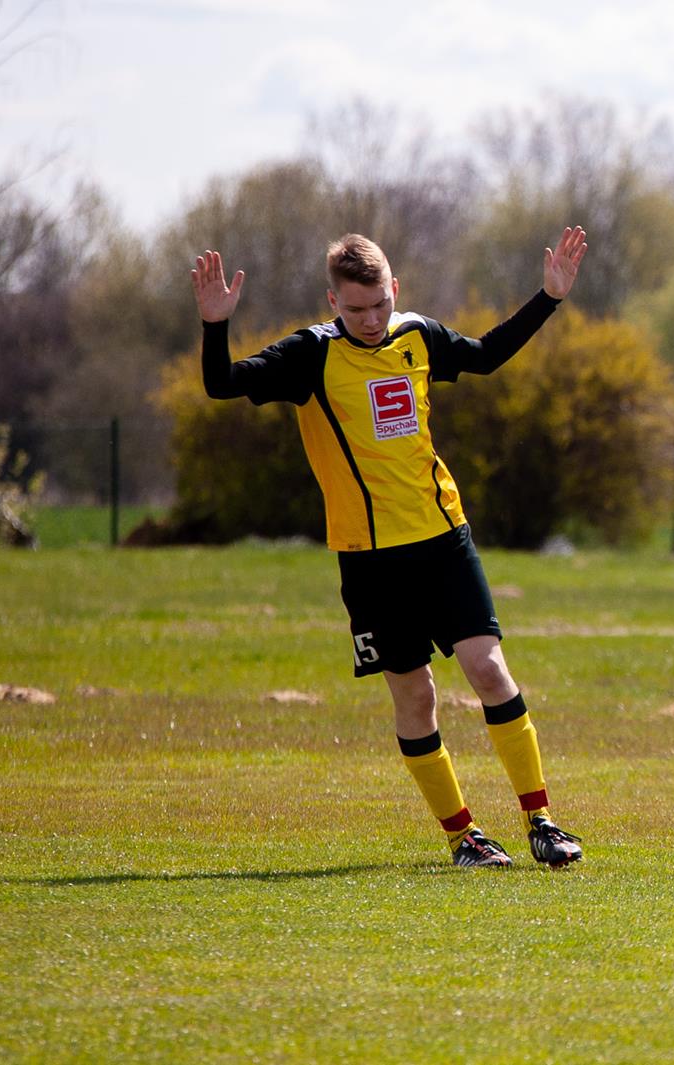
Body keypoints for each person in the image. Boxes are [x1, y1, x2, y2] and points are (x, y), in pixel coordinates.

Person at [191, 228, 589, 869]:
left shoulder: (417, 335)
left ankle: (541, 820)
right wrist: (215, 326)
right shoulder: (309, 356)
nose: (371, 320)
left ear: (394, 290)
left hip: (443, 538)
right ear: (332, 301)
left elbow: (485, 356)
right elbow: (221, 384)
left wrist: (549, 298)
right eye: (355, 310)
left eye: (379, 304)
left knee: (488, 670)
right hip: (370, 559)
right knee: (416, 697)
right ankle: (464, 838)